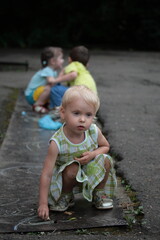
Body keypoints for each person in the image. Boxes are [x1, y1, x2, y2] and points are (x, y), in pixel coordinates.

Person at [38, 85, 117, 220]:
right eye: (76, 113)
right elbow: (46, 174)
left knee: (105, 159)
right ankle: (66, 196)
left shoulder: (93, 131)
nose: (82, 119)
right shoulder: (57, 142)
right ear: (63, 112)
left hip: (89, 171)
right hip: (66, 177)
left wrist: (92, 154)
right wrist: (43, 204)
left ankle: (98, 193)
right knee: (72, 168)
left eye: (88, 115)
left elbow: (105, 146)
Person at [24, 47, 68, 113]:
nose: (63, 60)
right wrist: (62, 77)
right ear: (53, 61)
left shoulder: (53, 71)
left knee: (53, 88)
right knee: (49, 88)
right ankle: (37, 105)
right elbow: (51, 81)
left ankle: (44, 104)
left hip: (36, 93)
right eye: (61, 58)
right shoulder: (47, 70)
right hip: (31, 95)